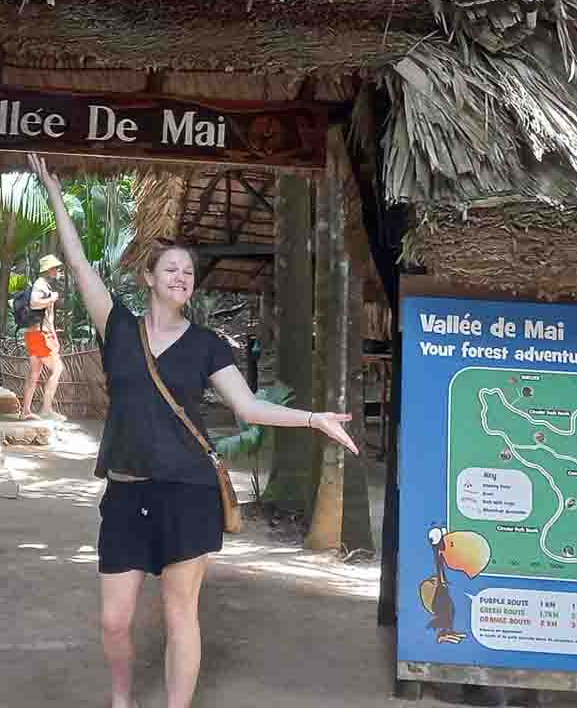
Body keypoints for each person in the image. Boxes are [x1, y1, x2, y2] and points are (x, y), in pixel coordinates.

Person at [27, 153, 358, 708]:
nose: (182, 278)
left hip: (188, 490)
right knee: (114, 620)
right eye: (171, 270)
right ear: (149, 279)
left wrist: (313, 418)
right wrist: (56, 196)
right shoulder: (120, 328)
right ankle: (121, 698)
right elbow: (81, 266)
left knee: (182, 613)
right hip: (128, 489)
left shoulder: (206, 345)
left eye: (188, 272)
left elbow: (249, 407)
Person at [21, 253, 67, 420]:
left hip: (36, 334)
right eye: (55, 268)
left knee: (34, 373)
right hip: (41, 334)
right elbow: (34, 303)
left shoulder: (42, 284)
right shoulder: (41, 284)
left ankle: (26, 411)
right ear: (48, 270)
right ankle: (46, 409)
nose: (57, 271)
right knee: (58, 368)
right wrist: (52, 299)